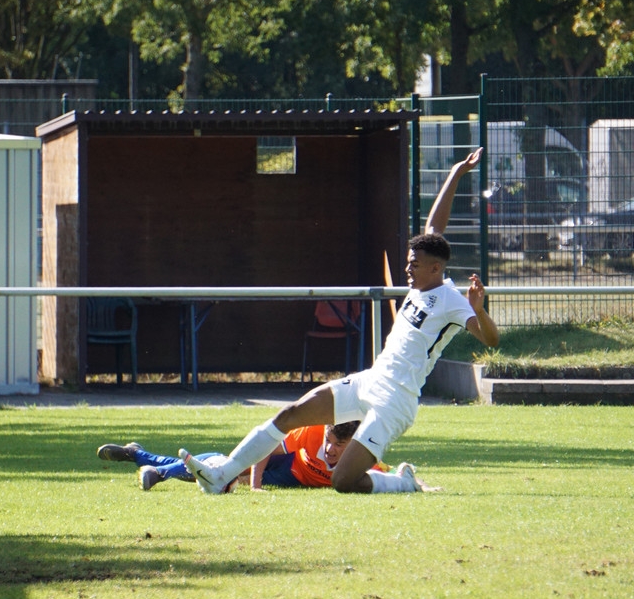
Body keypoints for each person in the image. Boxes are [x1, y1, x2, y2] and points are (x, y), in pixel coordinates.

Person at [180, 148, 498, 495]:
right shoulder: (426, 271)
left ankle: (402, 482)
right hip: (370, 380)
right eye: (408, 261)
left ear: (435, 268)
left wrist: (479, 310)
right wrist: (456, 172)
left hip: (397, 400)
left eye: (414, 264)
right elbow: (433, 228)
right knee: (290, 414)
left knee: (342, 482)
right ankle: (222, 474)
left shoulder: (453, 300)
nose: (408, 268)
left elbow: (491, 341)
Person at [98, 422, 439, 492]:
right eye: (330, 440)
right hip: (283, 466)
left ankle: (137, 454)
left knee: (218, 470)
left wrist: (423, 487)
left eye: (339, 445)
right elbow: (264, 451)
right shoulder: (309, 433)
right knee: (222, 463)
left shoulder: (363, 455)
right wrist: (255, 485)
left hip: (291, 480)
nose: (332, 448)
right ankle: (156, 470)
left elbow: (397, 473)